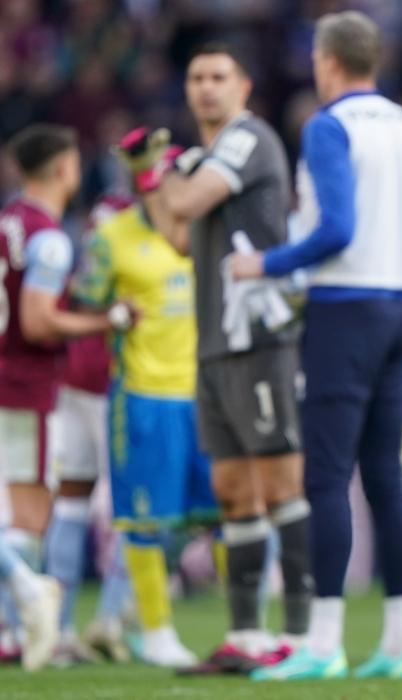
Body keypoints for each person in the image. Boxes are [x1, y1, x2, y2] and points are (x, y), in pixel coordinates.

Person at [229, 11, 402, 681]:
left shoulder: (328, 126)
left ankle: (324, 642)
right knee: (386, 478)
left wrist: (265, 264)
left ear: (326, 61)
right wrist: (390, 242)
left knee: (326, 476)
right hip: (399, 307)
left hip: (342, 311)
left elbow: (335, 229)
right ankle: (398, 643)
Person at [148, 44, 313, 673]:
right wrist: (160, 177)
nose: (206, 87)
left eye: (218, 76)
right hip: (215, 343)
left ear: (242, 86)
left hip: (260, 339)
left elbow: (183, 204)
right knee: (233, 489)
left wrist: (159, 173)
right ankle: (245, 637)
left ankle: (300, 639)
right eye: (196, 77)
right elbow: (177, 237)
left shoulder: (247, 139)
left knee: (281, 484)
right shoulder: (202, 160)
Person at [73, 127, 221, 668]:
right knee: (144, 521)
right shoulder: (111, 236)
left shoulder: (210, 230)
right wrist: (111, 314)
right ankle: (155, 632)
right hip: (143, 395)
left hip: (208, 393)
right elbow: (83, 300)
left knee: (223, 516)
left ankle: (244, 630)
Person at [0, 124, 126, 671]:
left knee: (25, 512)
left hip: (7, 378)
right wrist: (104, 320)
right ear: (63, 168)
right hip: (25, 385)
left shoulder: (7, 223)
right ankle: (30, 599)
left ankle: (13, 629)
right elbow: (37, 320)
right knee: (29, 517)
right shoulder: (49, 237)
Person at [45, 193, 135, 666]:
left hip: (70, 376)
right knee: (134, 505)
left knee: (71, 502)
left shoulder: (90, 230)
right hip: (110, 379)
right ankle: (111, 618)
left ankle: (57, 630)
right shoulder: (133, 226)